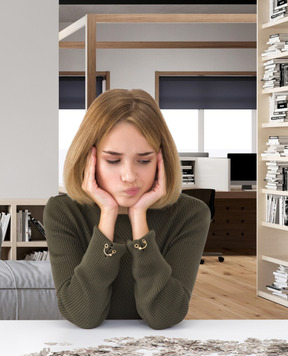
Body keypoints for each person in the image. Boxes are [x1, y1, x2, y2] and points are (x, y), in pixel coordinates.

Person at [44, 89, 210, 330]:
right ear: (88, 160)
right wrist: (108, 216)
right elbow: (83, 315)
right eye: (113, 160)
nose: (129, 176)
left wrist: (139, 222)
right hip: (87, 354)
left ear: (161, 160)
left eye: (144, 160)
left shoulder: (190, 215)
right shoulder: (63, 213)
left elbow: (165, 315)